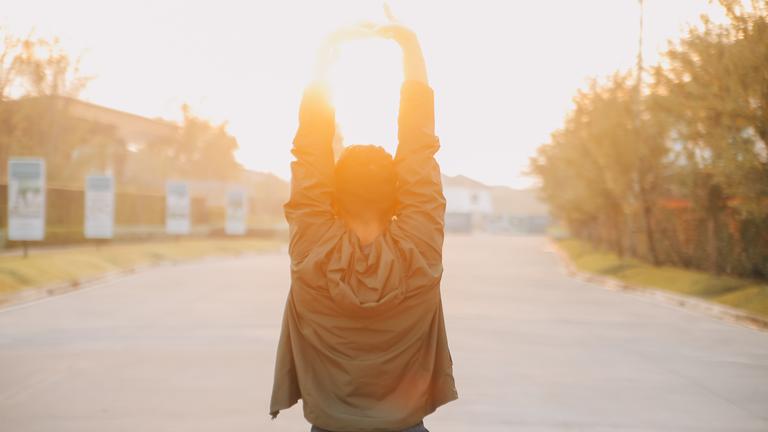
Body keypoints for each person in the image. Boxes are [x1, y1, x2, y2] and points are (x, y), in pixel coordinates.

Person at [270, 16, 458, 432]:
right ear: (398, 195)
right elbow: (419, 148)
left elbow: (311, 151)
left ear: (332, 196)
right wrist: (411, 49)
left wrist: (326, 55)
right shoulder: (420, 247)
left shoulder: (312, 244)